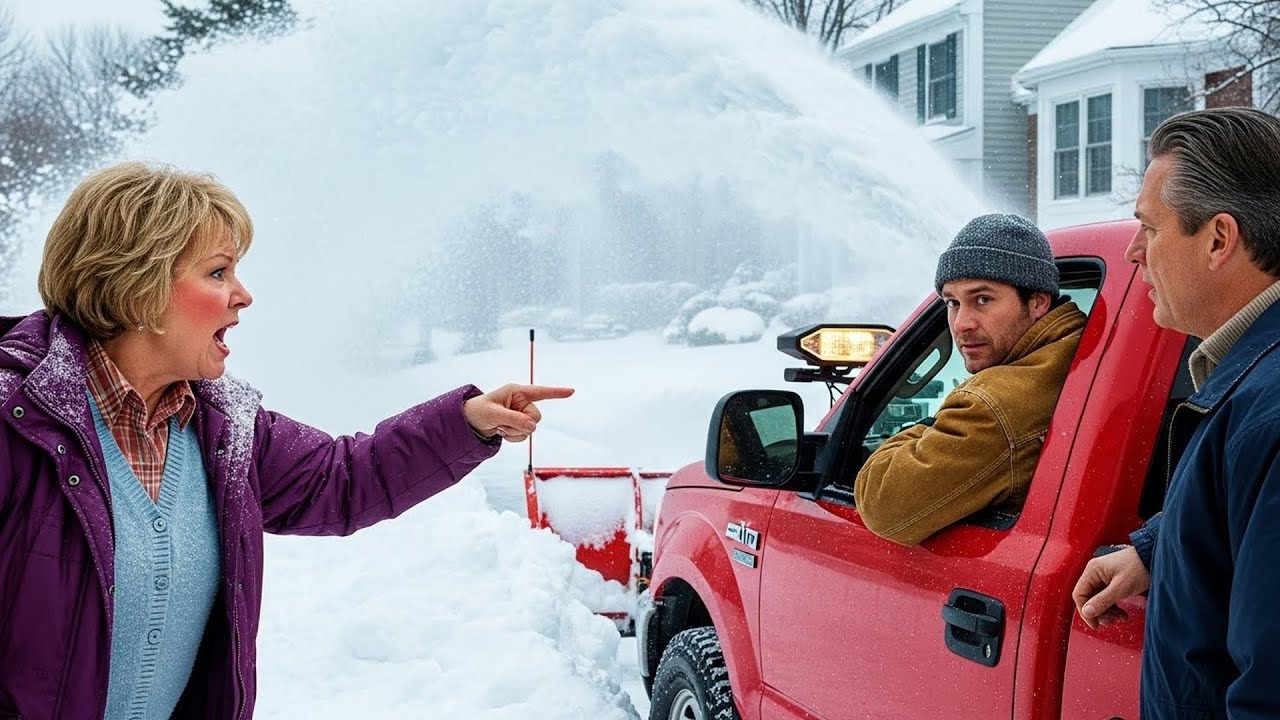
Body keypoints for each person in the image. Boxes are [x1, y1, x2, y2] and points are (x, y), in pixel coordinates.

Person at [0, 161, 574, 719]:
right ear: (136, 284)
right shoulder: (17, 423)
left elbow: (343, 478)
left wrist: (466, 422)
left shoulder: (224, 431)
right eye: (218, 272)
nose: (243, 295)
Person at [1071, 107, 1280, 718]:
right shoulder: (1249, 381)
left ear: (1219, 239)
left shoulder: (1267, 412)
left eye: (1150, 228)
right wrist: (1160, 548)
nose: (1134, 252)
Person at [854, 213, 1087, 545]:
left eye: (982, 299)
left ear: (1037, 301)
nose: (961, 323)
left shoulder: (990, 405)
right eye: (952, 302)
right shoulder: (1078, 350)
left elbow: (883, 505)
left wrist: (933, 423)